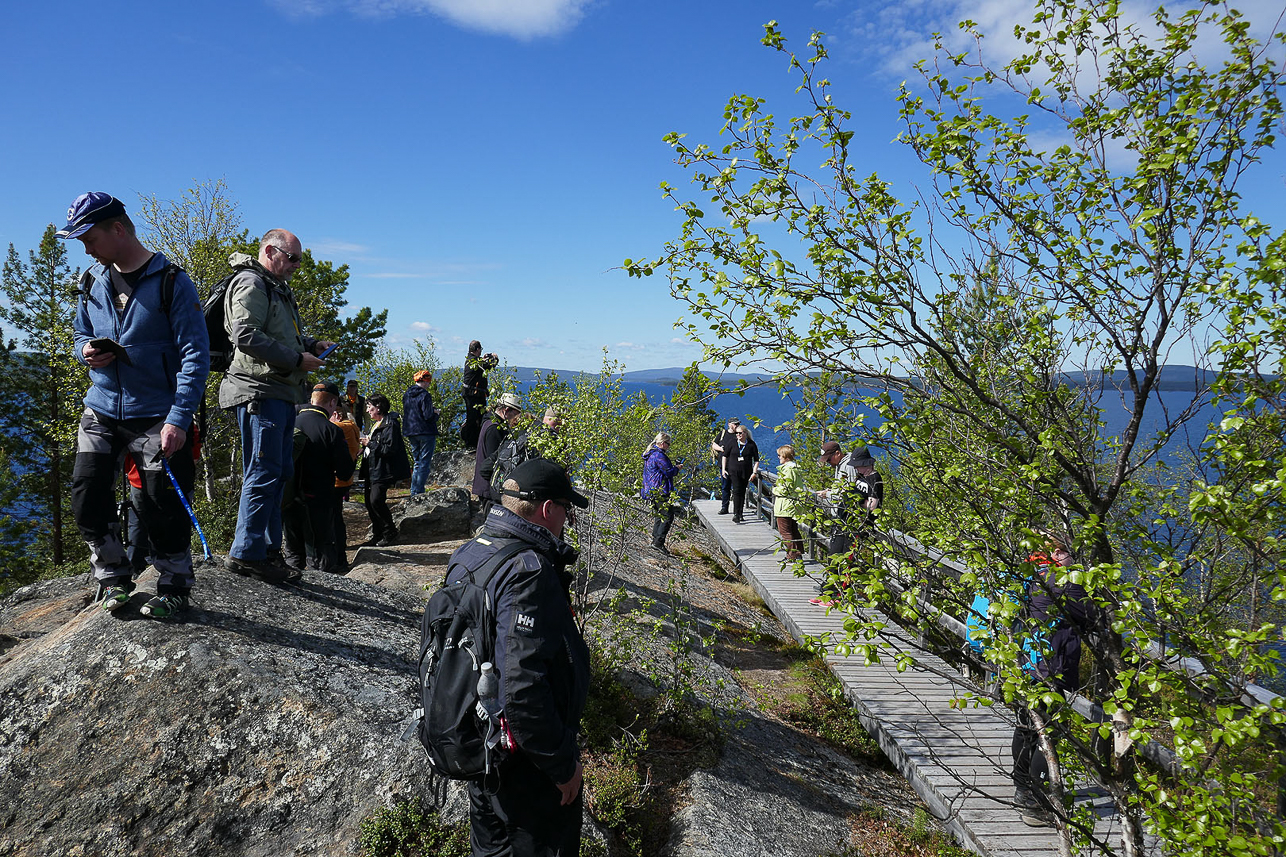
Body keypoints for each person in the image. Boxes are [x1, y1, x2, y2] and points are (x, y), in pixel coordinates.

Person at [57, 192, 210, 619]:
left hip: (158, 414)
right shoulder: (92, 282)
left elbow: (195, 354)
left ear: (118, 229)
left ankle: (174, 585)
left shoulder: (172, 282)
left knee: (163, 503)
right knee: (86, 496)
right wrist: (85, 350)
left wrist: (179, 417)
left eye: (89, 238)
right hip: (101, 408)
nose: (85, 248)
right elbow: (78, 334)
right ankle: (113, 579)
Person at [443, 458, 591, 856]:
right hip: (527, 769)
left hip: (483, 750)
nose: (567, 518)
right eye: (566, 508)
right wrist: (561, 765)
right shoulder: (529, 570)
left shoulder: (471, 553)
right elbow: (522, 688)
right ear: (548, 509)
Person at [219, 229, 334, 583]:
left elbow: (277, 335)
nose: (298, 266)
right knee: (265, 470)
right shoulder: (252, 283)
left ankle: (267, 551)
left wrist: (310, 345)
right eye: (293, 258)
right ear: (271, 251)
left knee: (279, 472)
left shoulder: (275, 288)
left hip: (280, 392)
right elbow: (246, 335)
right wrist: (296, 361)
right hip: (260, 392)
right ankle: (247, 552)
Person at [1011, 533, 1093, 827]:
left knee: (1026, 728)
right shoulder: (1064, 583)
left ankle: (1022, 788)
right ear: (1058, 555)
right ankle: (1036, 804)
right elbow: (1092, 613)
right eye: (1069, 553)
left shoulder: (1029, 575)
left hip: (1025, 665)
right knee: (1049, 735)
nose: (1073, 559)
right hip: (1052, 671)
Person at [282, 382, 356, 574]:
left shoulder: (289, 423)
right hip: (318, 500)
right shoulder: (332, 430)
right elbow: (345, 473)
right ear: (332, 402)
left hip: (287, 498)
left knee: (292, 554)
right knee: (319, 556)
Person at [812, 442, 884, 604]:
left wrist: (855, 500)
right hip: (844, 520)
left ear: (867, 464)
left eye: (858, 466)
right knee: (834, 555)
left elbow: (873, 505)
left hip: (858, 525)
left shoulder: (875, 478)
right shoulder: (860, 476)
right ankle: (828, 591)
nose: (856, 469)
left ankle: (839, 594)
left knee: (846, 559)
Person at [359, 394, 411, 547]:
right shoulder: (378, 424)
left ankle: (390, 531)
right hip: (372, 467)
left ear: (379, 407)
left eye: (370, 407)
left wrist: (370, 444)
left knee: (376, 500)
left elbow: (390, 449)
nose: (368, 410)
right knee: (369, 502)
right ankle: (378, 533)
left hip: (383, 469)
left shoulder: (391, 424)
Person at [472, 392, 523, 508]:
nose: (516, 418)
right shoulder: (495, 429)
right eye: (515, 414)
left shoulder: (489, 422)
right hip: (489, 488)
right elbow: (496, 461)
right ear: (506, 410)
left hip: (488, 486)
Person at [330, 396, 362, 572]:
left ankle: (338, 557)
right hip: (346, 479)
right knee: (337, 517)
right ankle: (340, 555)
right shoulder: (354, 427)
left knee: (333, 519)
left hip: (336, 480)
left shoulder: (340, 427)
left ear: (336, 414)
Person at [641, 432, 682, 554]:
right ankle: (658, 542)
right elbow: (669, 472)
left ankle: (655, 538)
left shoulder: (650, 454)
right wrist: (677, 468)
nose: (669, 446)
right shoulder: (659, 456)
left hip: (651, 489)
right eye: (668, 444)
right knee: (667, 515)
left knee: (659, 514)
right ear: (663, 443)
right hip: (660, 489)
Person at [403, 369, 440, 496]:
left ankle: (414, 490)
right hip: (425, 431)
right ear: (424, 381)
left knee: (417, 461)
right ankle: (418, 491)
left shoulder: (407, 394)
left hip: (411, 431)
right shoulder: (425, 395)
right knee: (424, 462)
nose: (429, 385)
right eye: (428, 382)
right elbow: (427, 415)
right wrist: (436, 414)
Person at [460, 341, 498, 447]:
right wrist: (494, 357)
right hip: (473, 395)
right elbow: (489, 365)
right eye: (480, 349)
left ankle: (475, 441)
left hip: (474, 394)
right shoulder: (474, 362)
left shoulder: (472, 360)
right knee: (473, 419)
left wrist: (486, 358)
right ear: (477, 349)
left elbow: (483, 364)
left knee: (478, 418)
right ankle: (471, 443)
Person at [771, 445, 806, 561]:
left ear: (785, 457)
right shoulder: (795, 468)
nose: (778, 457)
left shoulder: (788, 469)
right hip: (793, 505)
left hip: (785, 506)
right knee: (793, 530)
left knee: (785, 532)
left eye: (780, 455)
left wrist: (774, 490)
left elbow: (786, 488)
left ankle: (792, 555)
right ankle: (798, 552)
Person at [723, 423, 760, 524]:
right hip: (733, 471)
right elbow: (725, 455)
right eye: (737, 433)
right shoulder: (732, 442)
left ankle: (740, 513)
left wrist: (754, 472)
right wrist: (723, 469)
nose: (738, 435)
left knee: (742, 492)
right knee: (736, 491)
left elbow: (756, 460)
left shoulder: (751, 445)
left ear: (745, 433)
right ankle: (736, 514)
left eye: (740, 433)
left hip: (746, 472)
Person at [710, 418, 740, 515]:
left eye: (738, 424)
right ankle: (724, 508)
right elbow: (714, 444)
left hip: (736, 466)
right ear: (729, 424)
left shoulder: (739, 434)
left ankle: (737, 510)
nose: (737, 426)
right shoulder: (723, 433)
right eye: (735, 424)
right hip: (724, 466)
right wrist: (721, 449)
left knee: (737, 488)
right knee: (725, 487)